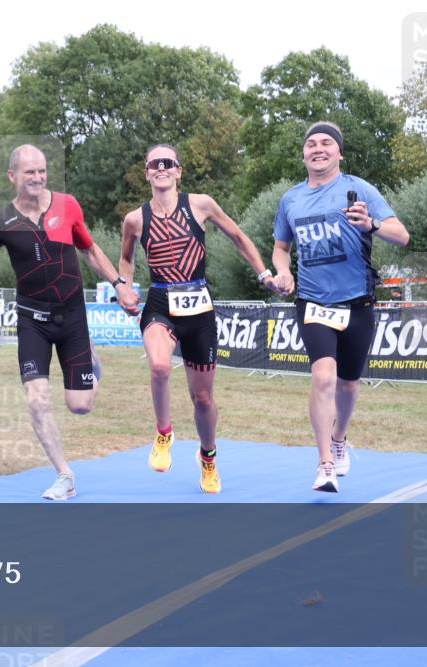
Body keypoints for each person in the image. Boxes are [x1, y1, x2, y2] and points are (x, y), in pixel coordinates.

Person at [0, 144, 139, 500]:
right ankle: (64, 475)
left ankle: (93, 364)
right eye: (29, 171)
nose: (37, 177)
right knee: (37, 401)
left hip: (72, 317)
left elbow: (90, 250)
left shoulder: (67, 205)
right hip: (32, 321)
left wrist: (119, 284)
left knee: (80, 406)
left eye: (42, 170)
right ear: (12, 176)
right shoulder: (1, 223)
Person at [120, 144, 280, 494]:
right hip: (160, 301)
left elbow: (237, 236)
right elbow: (127, 259)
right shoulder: (135, 219)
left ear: (179, 171)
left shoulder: (201, 204)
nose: (161, 168)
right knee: (159, 366)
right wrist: (124, 287)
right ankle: (164, 433)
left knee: (203, 399)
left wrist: (264, 274)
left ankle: (208, 457)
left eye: (168, 163)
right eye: (154, 164)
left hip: (199, 307)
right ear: (146, 173)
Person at [272, 121, 410, 492]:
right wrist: (283, 272)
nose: (318, 148)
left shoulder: (359, 189)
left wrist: (371, 223)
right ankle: (325, 464)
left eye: (326, 143)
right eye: (311, 144)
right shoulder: (291, 200)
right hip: (313, 301)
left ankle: (339, 438)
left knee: (348, 385)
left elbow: (402, 235)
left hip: (357, 300)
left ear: (339, 153)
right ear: (303, 154)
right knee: (323, 378)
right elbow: (281, 247)